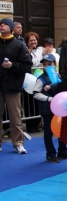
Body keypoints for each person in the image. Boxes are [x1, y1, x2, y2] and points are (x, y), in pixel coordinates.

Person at [32, 54, 67, 163]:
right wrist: (48, 98)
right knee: (48, 131)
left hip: (59, 107)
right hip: (47, 108)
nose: (47, 67)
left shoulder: (58, 77)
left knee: (62, 129)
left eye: (49, 64)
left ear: (54, 64)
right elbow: (36, 93)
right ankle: (50, 154)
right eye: (45, 65)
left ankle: (63, 151)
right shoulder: (41, 79)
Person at [0, 18, 32, 154]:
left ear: (11, 28)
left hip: (13, 86)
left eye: (5, 24)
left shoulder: (19, 45)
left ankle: (18, 143)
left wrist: (13, 65)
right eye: (0, 24)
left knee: (15, 117)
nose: (2, 26)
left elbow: (27, 65)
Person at [23, 32, 43, 133]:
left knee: (37, 101)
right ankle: (30, 125)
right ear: (27, 42)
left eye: (34, 40)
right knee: (29, 103)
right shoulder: (25, 51)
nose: (33, 42)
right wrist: (28, 52)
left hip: (39, 79)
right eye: (31, 40)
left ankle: (37, 124)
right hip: (28, 80)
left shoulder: (40, 50)